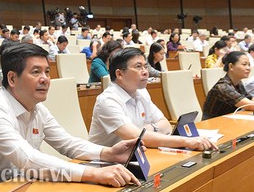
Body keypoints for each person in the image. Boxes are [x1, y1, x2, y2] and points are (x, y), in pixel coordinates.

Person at [0, 43, 140, 192]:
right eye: (36, 72)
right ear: (12, 78)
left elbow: (67, 143)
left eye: (47, 72)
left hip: (15, 189)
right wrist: (95, 173)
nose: (45, 79)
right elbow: (30, 160)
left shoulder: (37, 108)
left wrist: (109, 153)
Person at [89, 48, 217, 151]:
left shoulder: (141, 92)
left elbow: (165, 124)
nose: (145, 72)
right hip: (104, 165)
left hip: (135, 156)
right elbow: (137, 137)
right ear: (119, 74)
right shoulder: (108, 101)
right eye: (138, 67)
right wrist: (187, 141)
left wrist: (146, 129)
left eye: (145, 66)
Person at [202, 51, 254, 120]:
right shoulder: (222, 87)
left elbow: (251, 99)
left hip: (229, 121)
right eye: (244, 64)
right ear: (231, 66)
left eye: (249, 65)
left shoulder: (238, 83)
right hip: (212, 125)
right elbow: (250, 106)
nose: (248, 68)